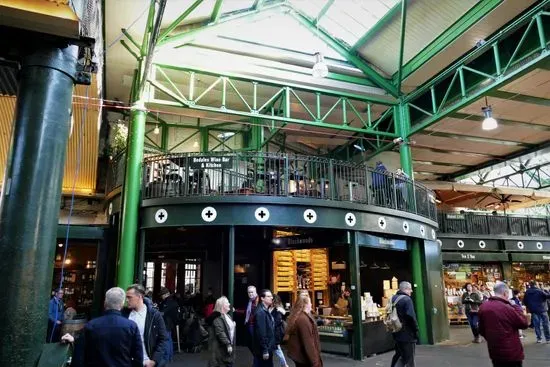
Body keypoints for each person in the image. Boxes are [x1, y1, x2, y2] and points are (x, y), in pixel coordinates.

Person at [63, 287, 144, 367]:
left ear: (105, 302)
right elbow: (138, 358)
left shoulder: (91, 326)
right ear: (122, 304)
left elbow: (79, 357)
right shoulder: (131, 326)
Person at [478, 282, 529, 367]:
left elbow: (481, 329)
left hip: (494, 350)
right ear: (505, 293)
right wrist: (516, 307)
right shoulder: (507, 308)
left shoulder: (483, 307)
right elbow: (523, 323)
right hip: (511, 352)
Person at [124, 284, 169, 367]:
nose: (126, 300)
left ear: (140, 297)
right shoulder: (124, 314)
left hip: (147, 362)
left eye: (129, 297)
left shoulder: (154, 315)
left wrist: (154, 360)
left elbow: (163, 338)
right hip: (128, 362)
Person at [286, 295, 322, 367]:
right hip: (304, 359)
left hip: (301, 357)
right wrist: (315, 362)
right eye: (310, 302)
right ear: (305, 304)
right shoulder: (303, 319)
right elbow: (308, 342)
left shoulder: (301, 316)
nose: (311, 304)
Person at [390, 281, 418, 367]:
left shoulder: (393, 298)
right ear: (405, 289)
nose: (411, 291)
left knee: (399, 354)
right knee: (409, 358)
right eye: (410, 289)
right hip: (407, 333)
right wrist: (416, 330)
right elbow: (411, 317)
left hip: (396, 331)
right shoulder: (407, 300)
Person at [206, 296, 236, 367]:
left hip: (225, 349)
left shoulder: (227, 316)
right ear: (222, 305)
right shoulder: (217, 318)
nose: (229, 304)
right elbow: (220, 332)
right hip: (220, 349)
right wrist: (228, 344)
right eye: (227, 303)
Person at [253, 289, 276, 367]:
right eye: (268, 296)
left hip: (267, 347)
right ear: (262, 298)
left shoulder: (265, 310)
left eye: (271, 296)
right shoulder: (261, 312)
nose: (271, 298)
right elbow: (261, 332)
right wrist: (265, 350)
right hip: (264, 348)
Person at [158, 287, 179, 362]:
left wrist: (155, 312)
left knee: (166, 340)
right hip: (170, 323)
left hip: (166, 323)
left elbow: (163, 313)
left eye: (162, 295)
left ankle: (166, 358)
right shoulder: (172, 301)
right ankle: (170, 357)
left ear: (166, 294)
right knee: (169, 339)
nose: (161, 296)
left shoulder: (168, 302)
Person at [271, 295, 289, 367]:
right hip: (274, 332)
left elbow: (277, 321)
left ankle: (284, 364)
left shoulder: (278, 310)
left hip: (276, 332)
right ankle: (284, 364)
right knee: (277, 349)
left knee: (277, 349)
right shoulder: (272, 308)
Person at [245, 285, 259, 353]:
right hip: (250, 323)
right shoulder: (250, 301)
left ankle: (257, 361)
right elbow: (247, 311)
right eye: (249, 292)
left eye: (252, 292)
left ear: (255, 292)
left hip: (254, 324)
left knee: (254, 344)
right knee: (249, 343)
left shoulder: (258, 300)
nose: (250, 294)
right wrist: (236, 310)